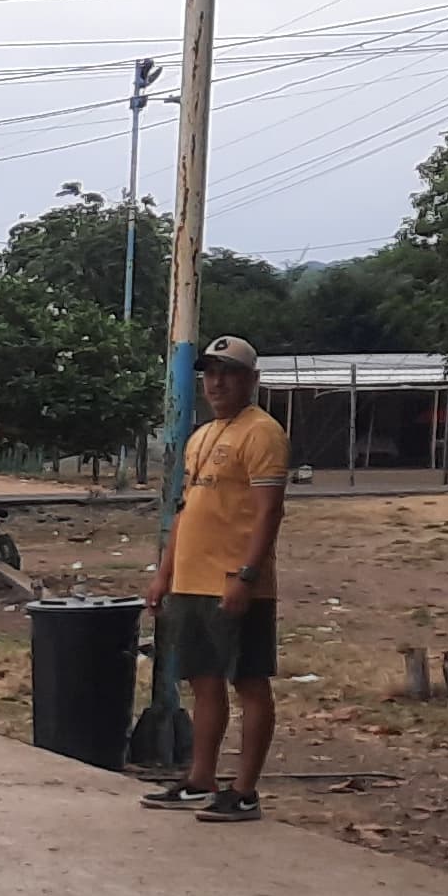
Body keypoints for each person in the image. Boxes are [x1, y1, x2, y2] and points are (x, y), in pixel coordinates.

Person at [142, 336, 289, 822]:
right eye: (210, 373)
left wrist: (247, 575)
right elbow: (186, 511)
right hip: (192, 580)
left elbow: (268, 512)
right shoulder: (202, 436)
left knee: (248, 682)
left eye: (229, 373)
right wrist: (164, 574)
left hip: (234, 581)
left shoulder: (262, 433)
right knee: (204, 682)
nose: (217, 383)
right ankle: (200, 778)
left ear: (252, 379)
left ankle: (244, 790)